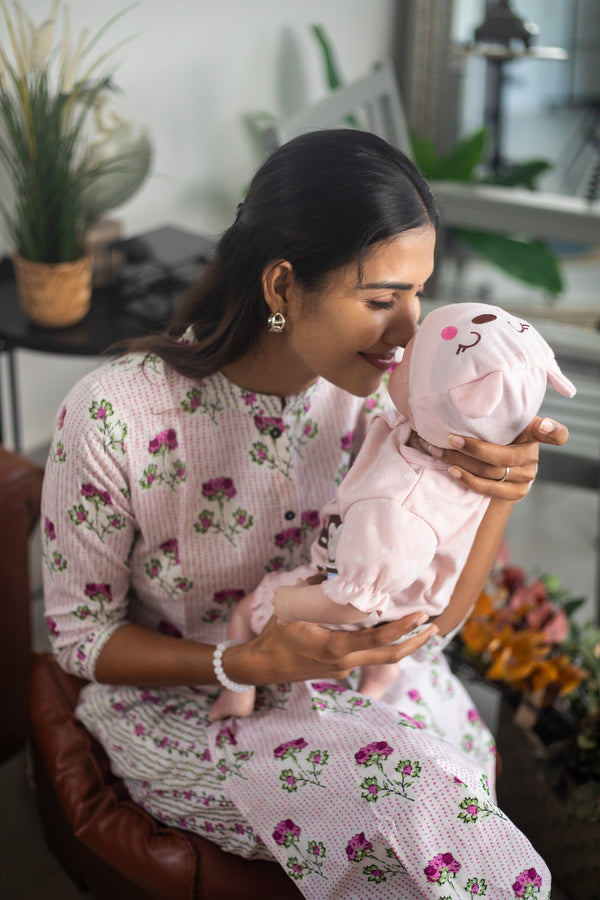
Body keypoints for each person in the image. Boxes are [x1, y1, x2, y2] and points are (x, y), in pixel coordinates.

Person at [41, 129, 566, 899]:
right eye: (382, 299)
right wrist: (239, 663)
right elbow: (79, 639)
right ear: (283, 287)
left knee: (458, 785)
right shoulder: (116, 414)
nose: (409, 331)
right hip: (196, 705)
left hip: (358, 680)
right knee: (422, 812)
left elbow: (436, 626)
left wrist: (496, 492)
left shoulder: (393, 411)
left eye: (419, 294)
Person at [209, 301, 576, 718]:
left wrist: (288, 603)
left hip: (359, 610)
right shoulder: (434, 443)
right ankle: (375, 690)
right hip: (415, 610)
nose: (405, 332)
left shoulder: (396, 505)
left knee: (248, 611)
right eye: (382, 299)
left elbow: (353, 602)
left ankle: (237, 693)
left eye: (409, 368)